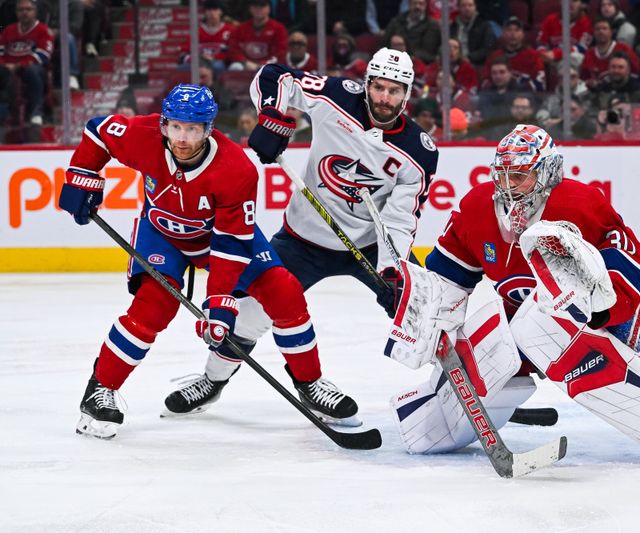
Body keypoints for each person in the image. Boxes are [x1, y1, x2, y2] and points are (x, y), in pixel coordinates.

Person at [385, 124, 640, 469]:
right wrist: (432, 320)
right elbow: (446, 277)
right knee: (486, 342)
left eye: (519, 176)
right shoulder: (477, 208)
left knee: (547, 333)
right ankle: (430, 426)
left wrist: (598, 308)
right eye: (502, 175)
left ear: (547, 173)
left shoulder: (579, 205)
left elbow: (629, 272)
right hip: (532, 313)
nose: (508, 186)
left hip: (624, 307)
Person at [58, 84, 357, 439]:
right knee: (155, 304)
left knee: (284, 289)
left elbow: (230, 245)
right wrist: (83, 175)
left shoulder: (237, 170)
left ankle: (310, 383)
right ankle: (100, 390)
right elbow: (97, 131)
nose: (182, 138)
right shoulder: (143, 135)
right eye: (175, 127)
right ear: (165, 124)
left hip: (218, 239)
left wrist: (219, 303)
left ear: (209, 129)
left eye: (193, 129)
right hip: (162, 234)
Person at [164, 48, 439, 414]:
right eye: (378, 87)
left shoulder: (419, 152)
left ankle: (462, 388)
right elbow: (272, 75)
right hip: (302, 240)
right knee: (252, 315)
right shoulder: (337, 96)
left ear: (407, 94)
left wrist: (393, 269)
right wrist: (271, 117)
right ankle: (212, 380)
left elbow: (402, 219)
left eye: (394, 91)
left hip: (372, 248)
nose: (384, 98)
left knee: (421, 310)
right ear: (367, 83)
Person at [0, 0, 54, 126]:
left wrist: (20, 65)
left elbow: (44, 55)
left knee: (33, 71)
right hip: (7, 67)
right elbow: (1, 51)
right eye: (21, 10)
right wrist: (5, 64)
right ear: (16, 12)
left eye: (28, 9)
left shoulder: (43, 30)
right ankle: (5, 113)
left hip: (31, 67)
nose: (24, 13)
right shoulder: (9, 30)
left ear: (35, 12)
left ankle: (36, 112)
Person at [227, 0, 288, 71]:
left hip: (269, 65)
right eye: (255, 6)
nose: (258, 9)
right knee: (235, 67)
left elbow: (281, 52)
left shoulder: (279, 29)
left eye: (262, 6)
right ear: (250, 8)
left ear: (269, 9)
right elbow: (233, 50)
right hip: (246, 65)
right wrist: (245, 62)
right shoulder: (240, 29)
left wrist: (263, 64)